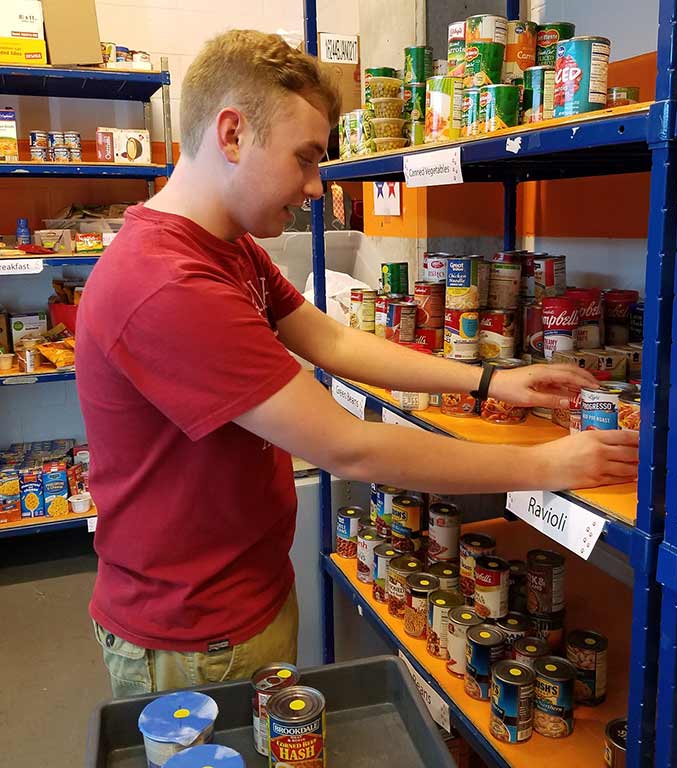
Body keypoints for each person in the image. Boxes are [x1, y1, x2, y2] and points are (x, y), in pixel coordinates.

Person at [76, 30, 638, 698]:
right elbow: (352, 449)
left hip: (239, 595)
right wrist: (550, 465)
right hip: (195, 634)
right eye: (306, 158)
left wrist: (489, 378)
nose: (317, 187)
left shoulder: (228, 246)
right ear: (231, 134)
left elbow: (335, 343)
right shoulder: (167, 283)